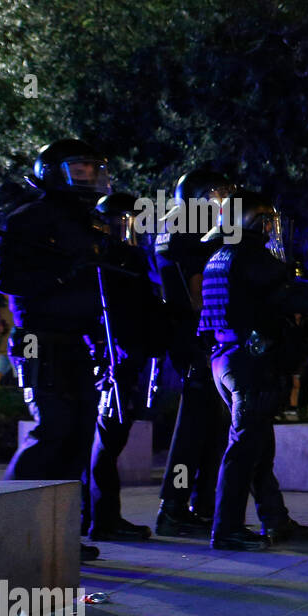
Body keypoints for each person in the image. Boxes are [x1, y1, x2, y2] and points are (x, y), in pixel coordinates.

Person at [0, 139, 115, 562]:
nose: (89, 174)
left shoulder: (91, 222)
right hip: (38, 339)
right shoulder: (29, 218)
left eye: (93, 167)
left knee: (79, 438)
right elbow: (5, 280)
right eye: (79, 167)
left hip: (78, 342)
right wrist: (62, 276)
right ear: (55, 171)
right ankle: (2, 532)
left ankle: (59, 535)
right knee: (53, 432)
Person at [198, 191, 308, 550]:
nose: (270, 227)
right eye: (263, 220)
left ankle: (275, 519)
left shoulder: (220, 256)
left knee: (257, 449)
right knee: (243, 450)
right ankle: (226, 529)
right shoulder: (252, 257)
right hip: (250, 364)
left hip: (225, 360)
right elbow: (297, 299)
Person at [154, 169, 235, 537]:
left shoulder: (181, 229)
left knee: (212, 425)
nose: (226, 200)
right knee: (194, 426)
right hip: (196, 336)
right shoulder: (186, 232)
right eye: (217, 193)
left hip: (197, 334)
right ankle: (174, 507)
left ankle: (202, 505)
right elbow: (197, 289)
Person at [85, 192, 168, 543]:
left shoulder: (131, 257)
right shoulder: (107, 257)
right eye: (128, 220)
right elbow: (103, 311)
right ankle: (103, 519)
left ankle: (99, 516)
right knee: (107, 441)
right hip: (114, 360)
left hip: (129, 355)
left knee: (109, 441)